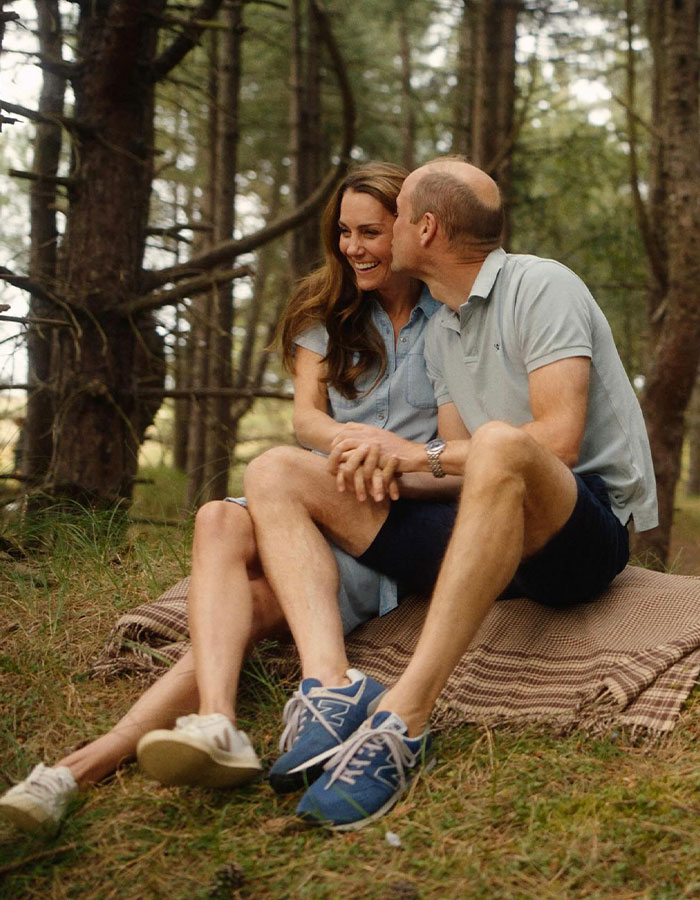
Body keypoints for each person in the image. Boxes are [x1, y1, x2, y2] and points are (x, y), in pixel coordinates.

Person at [0, 162, 459, 835]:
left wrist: (389, 462)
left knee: (240, 608)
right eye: (344, 233)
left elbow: (453, 447)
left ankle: (83, 766)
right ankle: (217, 721)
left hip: (379, 522)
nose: (353, 248)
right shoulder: (326, 313)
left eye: (370, 232)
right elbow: (307, 419)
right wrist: (354, 444)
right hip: (303, 496)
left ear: (410, 231)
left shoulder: (448, 318)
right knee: (217, 514)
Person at [242, 156, 658, 830]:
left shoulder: (542, 286)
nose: (381, 232)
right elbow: (452, 467)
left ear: (426, 229)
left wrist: (420, 454)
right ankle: (332, 687)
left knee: (500, 441)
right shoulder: (445, 329)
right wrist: (380, 464)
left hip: (575, 533)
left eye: (397, 217)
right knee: (277, 470)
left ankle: (403, 721)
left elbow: (556, 440)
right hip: (483, 532)